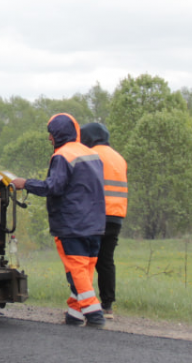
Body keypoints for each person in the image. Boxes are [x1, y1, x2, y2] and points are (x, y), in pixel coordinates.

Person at [11, 113, 107, 327]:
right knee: (84, 272)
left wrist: (25, 183)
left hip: (72, 224)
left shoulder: (63, 155)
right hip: (96, 224)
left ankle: (94, 314)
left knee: (77, 272)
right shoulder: (91, 153)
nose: (49, 138)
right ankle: (74, 314)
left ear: (59, 134)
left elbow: (53, 187)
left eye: (51, 134)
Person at [81, 121, 128, 319]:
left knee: (85, 260)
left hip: (95, 214)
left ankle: (85, 305)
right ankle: (107, 306)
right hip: (116, 216)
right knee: (106, 261)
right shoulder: (119, 158)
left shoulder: (91, 155)